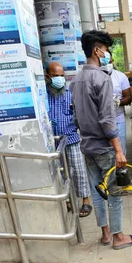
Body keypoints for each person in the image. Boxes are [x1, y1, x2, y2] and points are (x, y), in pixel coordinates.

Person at [71, 30, 132, 250]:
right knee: (115, 190)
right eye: (106, 49)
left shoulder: (75, 81)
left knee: (96, 190)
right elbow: (106, 119)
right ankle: (119, 237)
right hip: (104, 146)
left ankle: (105, 233)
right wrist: (119, 149)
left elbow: (76, 117)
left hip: (87, 146)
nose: (107, 53)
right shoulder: (101, 79)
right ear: (97, 50)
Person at [46, 61, 92, 218]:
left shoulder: (70, 93)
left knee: (78, 170)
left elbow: (79, 114)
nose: (59, 79)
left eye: (61, 76)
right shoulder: (44, 95)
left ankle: (85, 201)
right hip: (54, 142)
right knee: (60, 173)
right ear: (48, 76)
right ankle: (66, 201)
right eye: (55, 76)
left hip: (71, 138)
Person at [105, 51, 132, 154]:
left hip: (118, 120)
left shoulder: (121, 77)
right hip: (100, 121)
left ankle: (121, 170)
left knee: (120, 151)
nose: (107, 64)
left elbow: (129, 97)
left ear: (113, 61)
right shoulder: (94, 77)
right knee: (106, 153)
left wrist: (117, 102)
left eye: (109, 61)